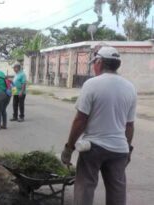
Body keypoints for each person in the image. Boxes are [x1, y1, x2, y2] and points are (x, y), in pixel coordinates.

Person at [61, 45, 137, 205]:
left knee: (85, 188)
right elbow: (129, 126)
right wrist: (128, 149)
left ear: (100, 62)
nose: (94, 66)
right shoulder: (130, 88)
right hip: (119, 150)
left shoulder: (92, 84)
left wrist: (69, 147)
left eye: (94, 62)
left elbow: (80, 120)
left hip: (93, 149)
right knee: (117, 192)